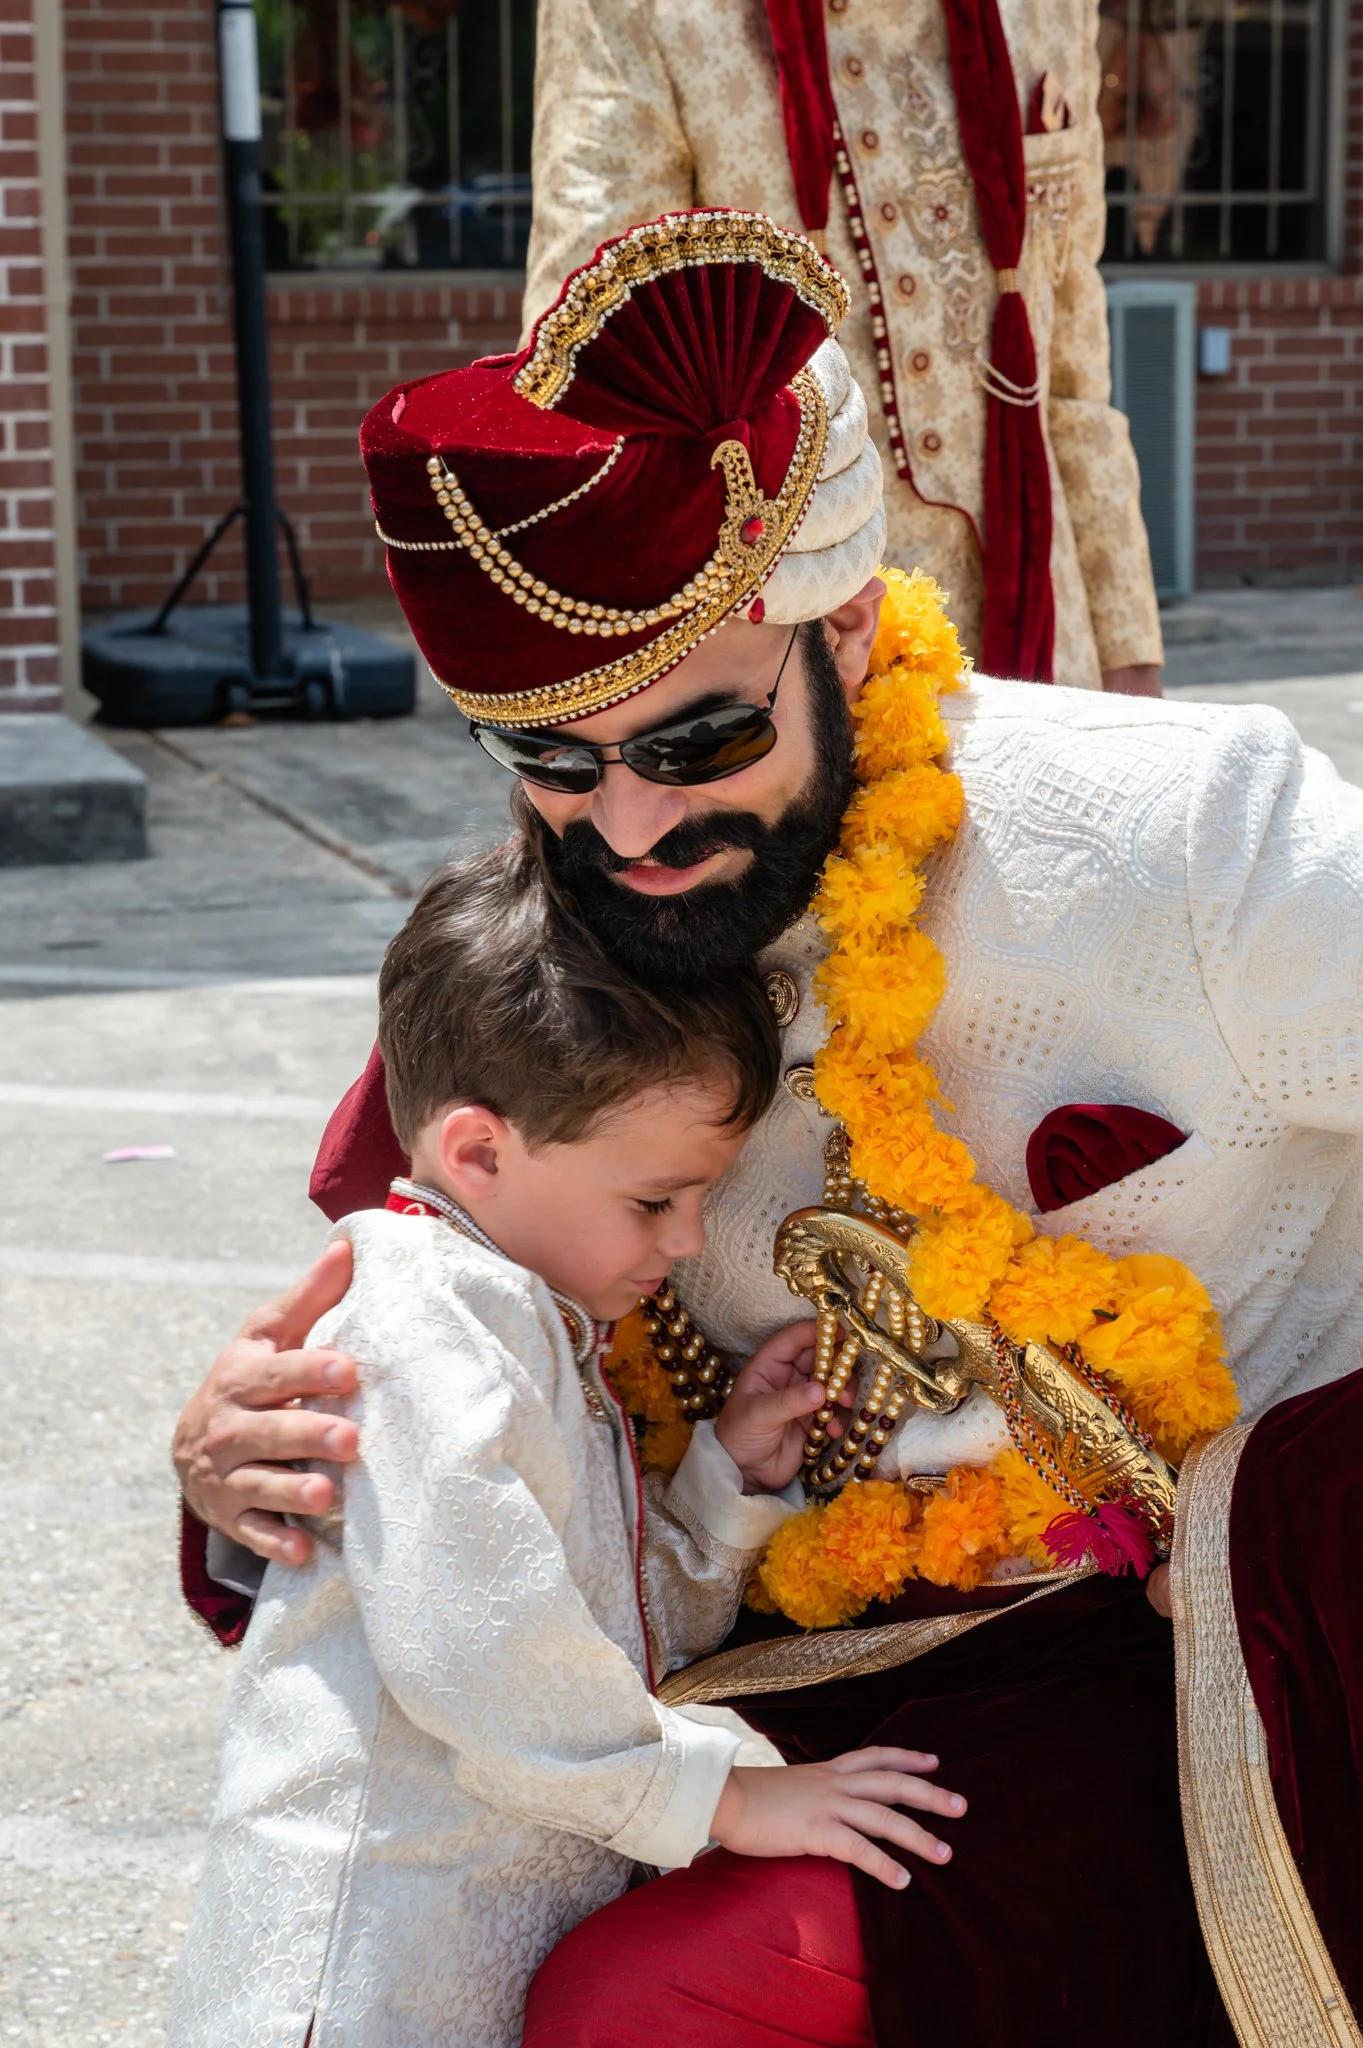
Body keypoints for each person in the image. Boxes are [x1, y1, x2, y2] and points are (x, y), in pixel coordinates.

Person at [173, 216, 1363, 2042]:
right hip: (764, 1650)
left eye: (696, 737)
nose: (629, 826)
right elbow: (409, 1334)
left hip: (1178, 1635)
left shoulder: (1181, 836)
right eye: (555, 764)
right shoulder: (560, 945)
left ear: (831, 616)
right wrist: (246, 1459)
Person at [168, 843, 969, 2048]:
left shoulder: (526, 1313)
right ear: (480, 1151)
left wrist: (721, 1481)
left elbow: (589, 1619)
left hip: (450, 1945)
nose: (689, 1238)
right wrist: (730, 1798)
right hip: (357, 1963)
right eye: (655, 1200)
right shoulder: (429, 1314)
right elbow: (478, 1644)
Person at [523, 0, 1165, 699]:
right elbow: (592, 381)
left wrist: (1126, 657)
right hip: (789, 679)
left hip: (1049, 645)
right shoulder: (639, 13)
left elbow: (1071, 359)